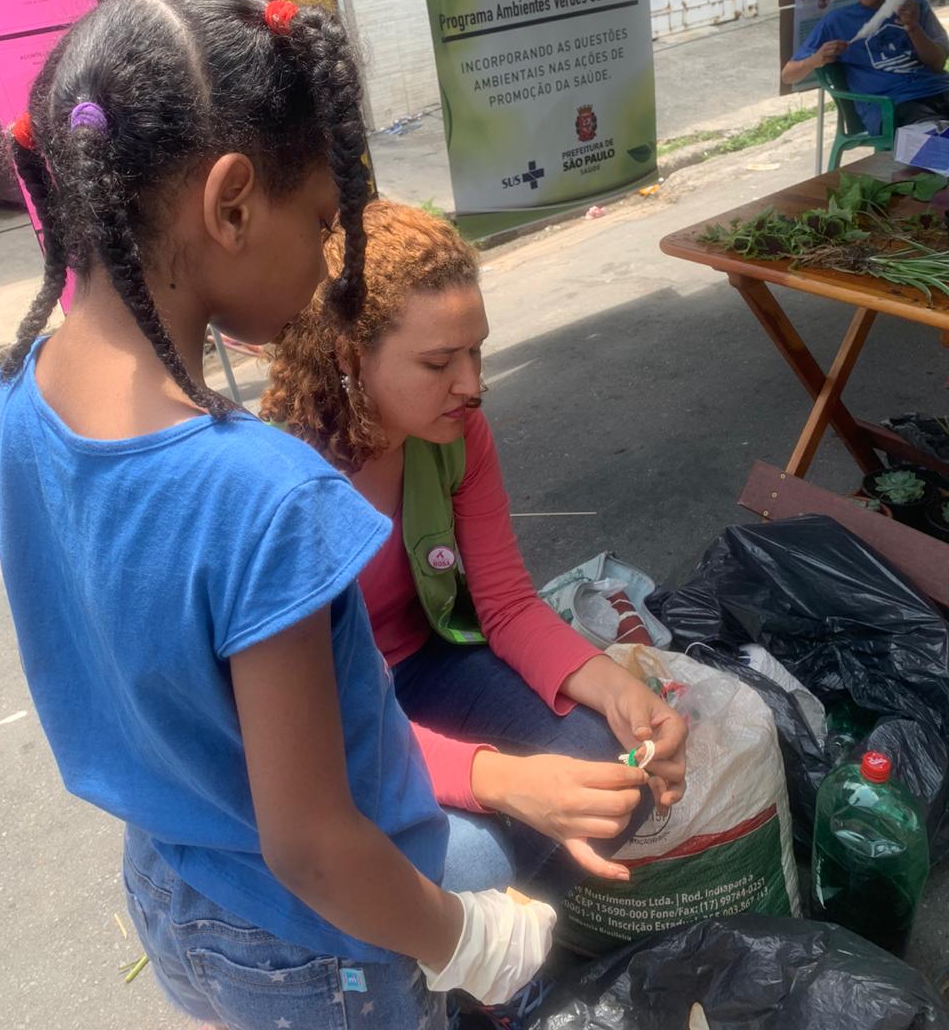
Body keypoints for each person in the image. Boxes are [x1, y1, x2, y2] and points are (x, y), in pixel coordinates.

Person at [0, 0, 555, 1030]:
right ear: (232, 201)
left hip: (170, 887)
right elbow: (312, 840)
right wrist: (469, 939)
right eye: (322, 219)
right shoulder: (260, 492)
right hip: (316, 941)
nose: (326, 259)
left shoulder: (17, 397)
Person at [262, 200, 688, 899]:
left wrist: (622, 692)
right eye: (439, 362)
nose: (472, 385)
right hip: (334, 719)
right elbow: (316, 732)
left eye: (477, 351)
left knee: (615, 774)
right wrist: (507, 782)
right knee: (475, 865)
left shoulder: (456, 435)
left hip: (430, 667)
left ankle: (497, 939)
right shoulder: (280, 481)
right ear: (349, 357)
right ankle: (464, 949)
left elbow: (509, 605)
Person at [782, 0, 949, 130]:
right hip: (894, 106)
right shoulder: (837, 22)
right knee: (933, 137)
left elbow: (938, 64)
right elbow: (788, 75)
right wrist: (815, 60)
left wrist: (913, 28)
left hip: (939, 89)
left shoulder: (914, 6)